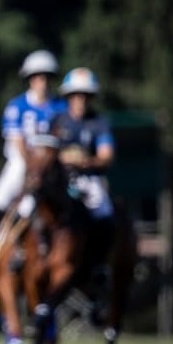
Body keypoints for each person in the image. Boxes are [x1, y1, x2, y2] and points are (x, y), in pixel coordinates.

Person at [0, 49, 65, 278]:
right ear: (30, 79)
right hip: (22, 163)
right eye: (37, 76)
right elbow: (17, 142)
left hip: (50, 168)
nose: (42, 81)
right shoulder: (17, 106)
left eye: (46, 76)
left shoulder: (60, 107)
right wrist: (32, 168)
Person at [49, 67, 116, 316]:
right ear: (68, 97)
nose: (80, 100)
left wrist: (83, 161)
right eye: (76, 95)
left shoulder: (98, 123)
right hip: (61, 181)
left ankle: (98, 264)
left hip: (88, 180)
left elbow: (106, 156)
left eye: (85, 95)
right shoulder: (58, 121)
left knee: (105, 214)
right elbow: (47, 152)